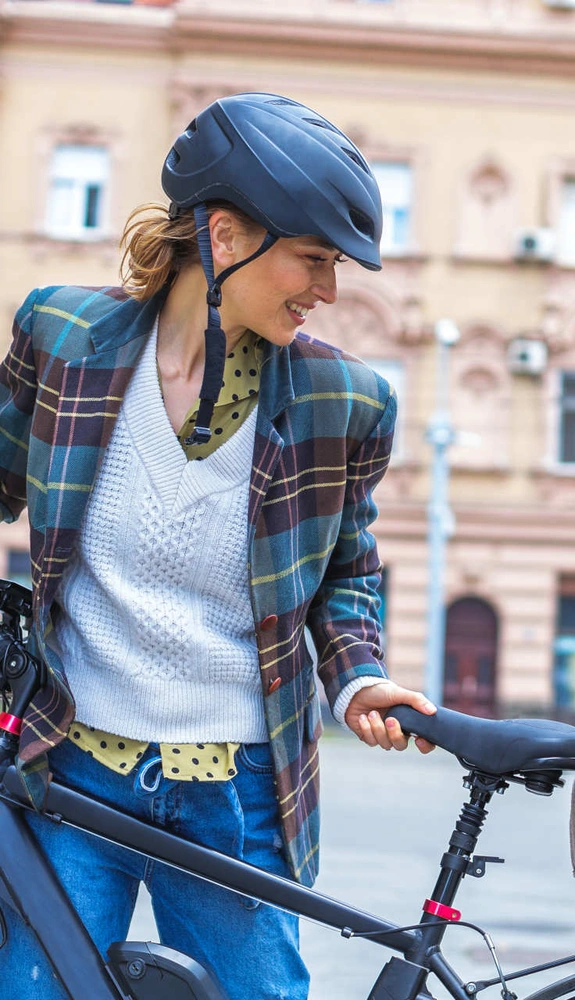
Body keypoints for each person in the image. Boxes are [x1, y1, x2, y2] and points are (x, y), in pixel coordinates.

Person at [0, 92, 435, 1000]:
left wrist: (357, 674)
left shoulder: (341, 401)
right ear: (227, 237)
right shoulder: (62, 339)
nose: (329, 289)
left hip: (234, 790)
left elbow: (344, 568)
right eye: (314, 260)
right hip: (72, 770)